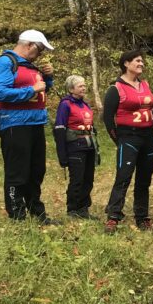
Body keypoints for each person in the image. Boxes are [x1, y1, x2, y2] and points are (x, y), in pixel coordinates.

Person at [0, 29, 56, 223]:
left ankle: (37, 212)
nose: (41, 54)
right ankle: (17, 215)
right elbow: (0, 93)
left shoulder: (29, 66)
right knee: (17, 171)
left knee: (36, 171)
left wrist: (48, 78)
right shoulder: (4, 62)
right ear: (29, 45)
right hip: (14, 123)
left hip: (35, 123)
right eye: (40, 49)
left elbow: (41, 92)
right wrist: (31, 89)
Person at [102, 49, 153, 233]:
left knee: (144, 179)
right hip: (128, 136)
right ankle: (113, 216)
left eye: (142, 61)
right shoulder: (115, 88)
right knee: (124, 177)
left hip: (148, 136)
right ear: (126, 63)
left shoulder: (145, 85)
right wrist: (119, 139)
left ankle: (142, 217)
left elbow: (152, 109)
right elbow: (108, 118)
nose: (141, 64)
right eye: (137, 61)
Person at [52, 74, 99, 220]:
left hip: (89, 145)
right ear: (71, 89)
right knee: (77, 179)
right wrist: (62, 154)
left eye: (84, 85)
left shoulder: (85, 104)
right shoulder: (65, 104)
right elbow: (59, 128)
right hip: (74, 146)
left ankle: (84, 208)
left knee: (88, 178)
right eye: (80, 86)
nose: (84, 88)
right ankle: (72, 209)